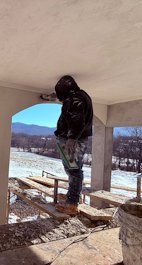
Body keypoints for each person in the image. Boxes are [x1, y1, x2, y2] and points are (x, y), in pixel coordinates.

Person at [49, 75, 93, 215]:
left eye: (61, 96)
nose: (61, 100)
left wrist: (72, 138)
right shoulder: (79, 96)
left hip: (71, 142)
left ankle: (72, 204)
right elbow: (74, 114)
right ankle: (72, 198)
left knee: (73, 171)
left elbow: (76, 118)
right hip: (72, 140)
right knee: (73, 169)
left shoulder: (75, 99)